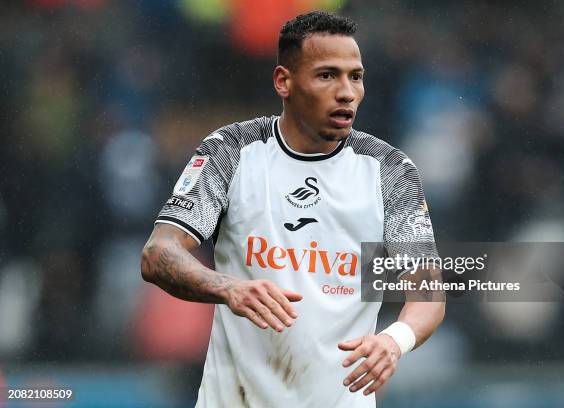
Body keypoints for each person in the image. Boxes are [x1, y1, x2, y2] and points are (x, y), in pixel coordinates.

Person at [141, 10, 445, 408]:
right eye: (327, 75)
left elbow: (428, 291)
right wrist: (229, 288)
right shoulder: (232, 151)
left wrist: (394, 340)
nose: (347, 92)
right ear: (283, 81)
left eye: (355, 76)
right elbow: (157, 253)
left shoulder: (389, 170)